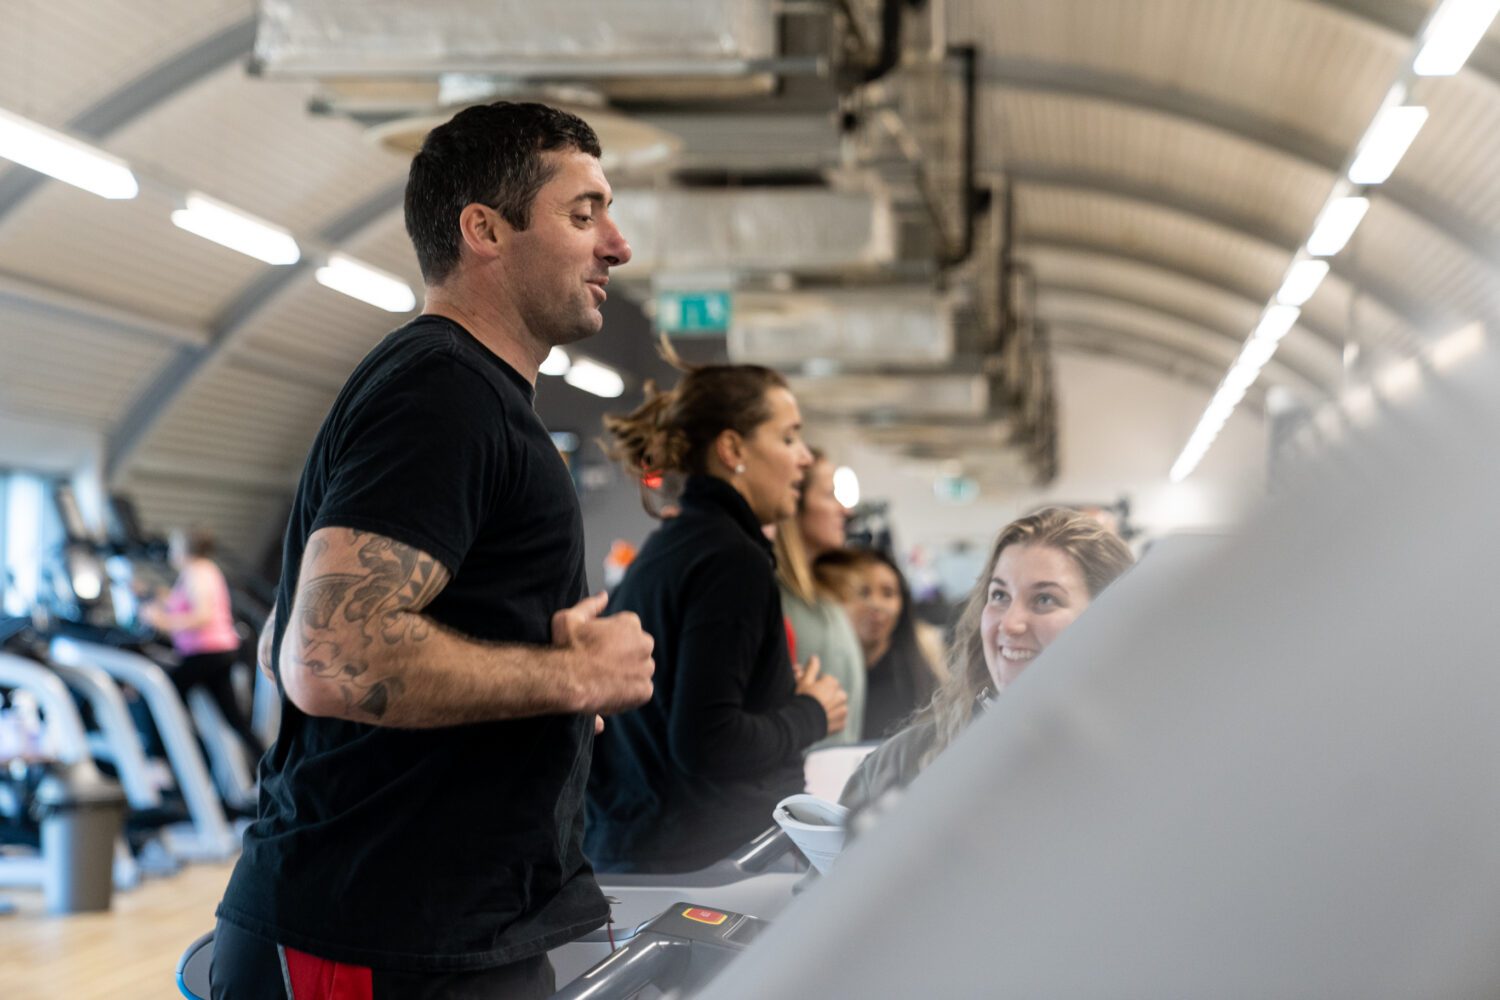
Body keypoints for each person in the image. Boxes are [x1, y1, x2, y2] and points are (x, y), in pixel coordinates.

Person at [211, 102, 656, 1000]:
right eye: (584, 214)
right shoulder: (442, 395)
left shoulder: (471, 397)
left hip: (450, 935)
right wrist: (571, 680)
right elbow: (327, 657)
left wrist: (532, 688)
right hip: (372, 939)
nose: (617, 245)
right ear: (485, 230)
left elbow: (282, 641)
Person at [585, 357, 849, 874]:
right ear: (733, 450)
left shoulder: (680, 543)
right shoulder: (731, 560)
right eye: (789, 438)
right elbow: (706, 741)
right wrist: (811, 712)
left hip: (647, 849)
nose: (804, 458)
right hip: (701, 866)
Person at [840, 507, 1134, 814]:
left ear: (1108, 618)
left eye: (1044, 599)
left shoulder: (1151, 772)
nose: (1009, 623)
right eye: (999, 595)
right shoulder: (898, 767)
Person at [140, 528, 264, 766]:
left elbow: (203, 615)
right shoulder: (197, 572)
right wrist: (152, 593)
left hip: (207, 652)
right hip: (214, 652)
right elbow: (182, 601)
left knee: (160, 695)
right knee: (233, 718)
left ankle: (159, 762)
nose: (170, 552)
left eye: (174, 546)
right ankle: (267, 766)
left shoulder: (199, 572)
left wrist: (163, 622)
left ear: (185, 548)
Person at [773, 451, 865, 749]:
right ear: (793, 502)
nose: (844, 511)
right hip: (796, 788)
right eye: (829, 495)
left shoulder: (827, 598)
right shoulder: (775, 600)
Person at [820, 548, 944, 740]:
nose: (876, 605)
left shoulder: (919, 676)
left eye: (888, 593)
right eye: (863, 592)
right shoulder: (828, 674)